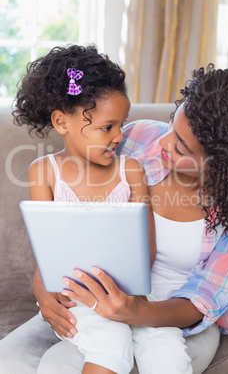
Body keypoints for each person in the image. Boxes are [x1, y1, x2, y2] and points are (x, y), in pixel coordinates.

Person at [0, 64, 228, 374]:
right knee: (11, 360)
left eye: (180, 146)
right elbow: (67, 214)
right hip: (97, 292)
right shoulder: (138, 137)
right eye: (171, 125)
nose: (164, 143)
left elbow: (208, 297)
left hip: (171, 313)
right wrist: (43, 287)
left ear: (221, 166)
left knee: (80, 364)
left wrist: (137, 311)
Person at [8, 44, 159, 374]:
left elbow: (146, 249)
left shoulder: (131, 171)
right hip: (69, 293)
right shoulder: (44, 172)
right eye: (107, 127)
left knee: (115, 337)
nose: (119, 136)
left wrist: (124, 292)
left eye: (122, 124)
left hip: (121, 292)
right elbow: (45, 254)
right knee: (109, 342)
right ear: (62, 122)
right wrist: (44, 295)